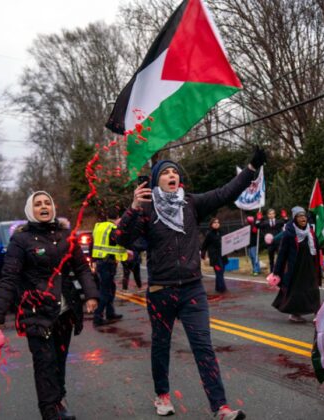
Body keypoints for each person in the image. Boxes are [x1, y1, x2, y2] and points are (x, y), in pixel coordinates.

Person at [117, 148, 266, 419]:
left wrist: (251, 169)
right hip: (160, 290)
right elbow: (122, 239)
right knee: (161, 345)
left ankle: (220, 407)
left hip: (192, 290)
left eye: (174, 171)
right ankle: (162, 395)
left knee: (203, 347)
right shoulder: (146, 210)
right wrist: (134, 207)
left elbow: (225, 192)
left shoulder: (191, 204)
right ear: (154, 182)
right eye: (165, 173)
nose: (172, 175)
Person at [0, 191, 99, 420]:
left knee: (58, 361)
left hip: (65, 312)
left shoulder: (68, 236)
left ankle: (58, 401)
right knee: (44, 362)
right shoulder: (21, 240)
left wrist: (91, 295)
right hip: (36, 311)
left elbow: (82, 269)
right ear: (30, 210)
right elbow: (9, 278)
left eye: (47, 202)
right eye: (38, 204)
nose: (44, 206)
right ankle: (51, 412)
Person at [268, 206, 322, 323]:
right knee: (296, 292)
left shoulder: (310, 231)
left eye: (304, 216)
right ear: (295, 219)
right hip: (296, 268)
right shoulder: (289, 234)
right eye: (300, 216)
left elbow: (317, 249)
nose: (303, 218)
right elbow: (282, 253)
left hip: (310, 265)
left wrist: (320, 265)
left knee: (313, 289)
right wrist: (276, 272)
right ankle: (294, 314)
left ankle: (317, 313)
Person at [91, 208, 127, 326]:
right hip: (107, 263)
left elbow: (93, 244)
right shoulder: (113, 229)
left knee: (110, 288)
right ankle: (98, 317)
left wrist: (93, 260)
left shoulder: (99, 227)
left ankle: (110, 313)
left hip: (101, 262)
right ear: (117, 218)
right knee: (105, 291)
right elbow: (118, 244)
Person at [201, 218, 229, 293]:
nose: (216, 224)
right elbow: (204, 245)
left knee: (221, 272)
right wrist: (203, 254)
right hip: (215, 257)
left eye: (218, 222)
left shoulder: (222, 232)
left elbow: (228, 242)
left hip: (223, 255)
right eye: (214, 222)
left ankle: (218, 287)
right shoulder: (209, 234)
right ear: (211, 224)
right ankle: (222, 288)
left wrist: (234, 248)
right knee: (219, 271)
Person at [257, 208, 283, 272]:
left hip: (278, 243)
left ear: (274, 214)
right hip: (270, 244)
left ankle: (280, 271)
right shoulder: (265, 223)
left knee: (280, 257)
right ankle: (272, 272)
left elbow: (286, 222)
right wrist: (258, 219)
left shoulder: (279, 221)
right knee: (271, 259)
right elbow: (258, 226)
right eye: (270, 214)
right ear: (268, 215)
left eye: (272, 214)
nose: (271, 215)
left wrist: (285, 217)